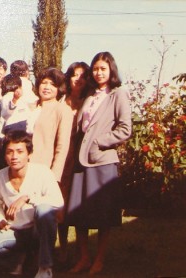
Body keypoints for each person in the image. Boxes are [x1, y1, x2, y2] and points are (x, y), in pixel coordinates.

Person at [66, 52, 132, 275]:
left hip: (102, 162)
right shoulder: (90, 94)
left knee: (103, 215)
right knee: (78, 212)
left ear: (111, 70)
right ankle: (84, 257)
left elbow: (125, 129)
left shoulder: (117, 94)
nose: (99, 72)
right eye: (95, 69)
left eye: (103, 68)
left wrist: (99, 142)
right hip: (81, 163)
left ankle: (99, 259)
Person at [0, 130, 64, 278]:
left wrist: (27, 198)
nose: (14, 157)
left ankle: (45, 267)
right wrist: (0, 219)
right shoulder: (0, 176)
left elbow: (58, 201)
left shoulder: (42, 172)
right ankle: (17, 260)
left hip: (39, 230)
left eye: (20, 151)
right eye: (9, 152)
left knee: (44, 209)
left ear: (29, 154)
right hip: (16, 231)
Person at [55, 61, 90, 266]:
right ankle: (62, 250)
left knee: (79, 206)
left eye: (83, 75)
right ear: (68, 78)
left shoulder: (90, 101)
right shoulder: (61, 103)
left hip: (83, 158)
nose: (78, 79)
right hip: (65, 159)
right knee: (62, 204)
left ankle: (81, 252)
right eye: (74, 75)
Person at [28, 67, 73, 184]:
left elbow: (62, 147)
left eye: (52, 84)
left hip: (44, 169)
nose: (47, 87)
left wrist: (54, 176)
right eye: (44, 83)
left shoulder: (62, 110)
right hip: (22, 168)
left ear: (59, 88)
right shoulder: (29, 107)